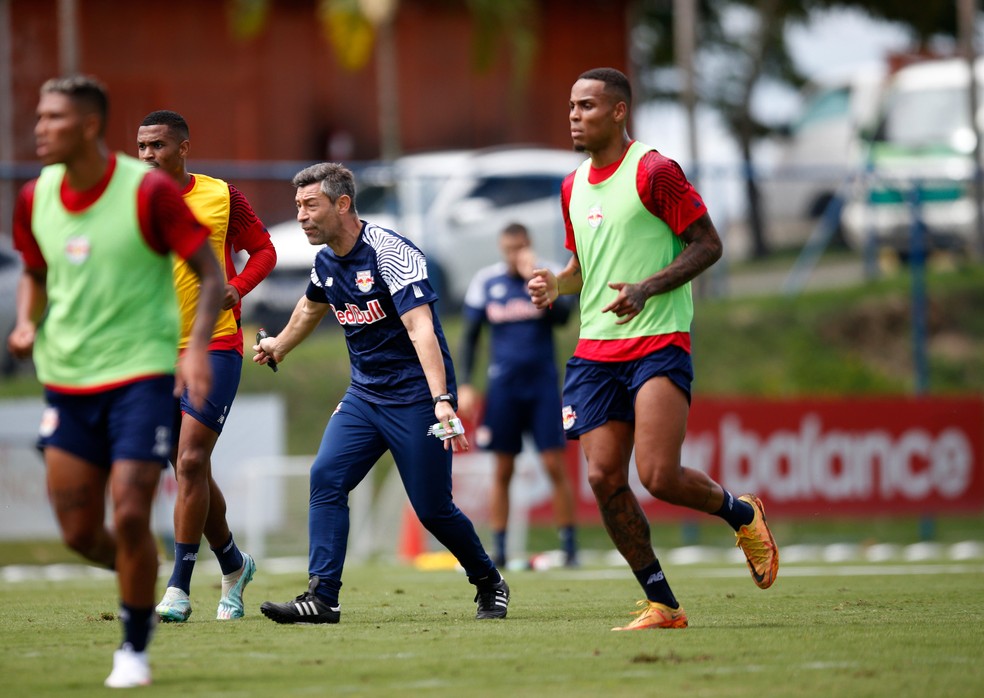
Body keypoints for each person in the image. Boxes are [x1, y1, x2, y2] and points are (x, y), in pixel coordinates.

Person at [528, 67, 779, 631]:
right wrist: (557, 283)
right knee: (602, 478)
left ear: (619, 112)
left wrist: (647, 288)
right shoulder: (571, 186)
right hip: (594, 352)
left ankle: (741, 512)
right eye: (571, 105)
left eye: (587, 106)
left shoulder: (654, 171)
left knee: (659, 475)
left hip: (658, 341)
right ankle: (663, 603)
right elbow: (582, 269)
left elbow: (708, 245)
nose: (574, 115)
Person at [7, 76, 223, 687]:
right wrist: (27, 321)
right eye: (40, 115)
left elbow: (209, 274)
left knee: (130, 511)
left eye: (54, 118)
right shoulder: (33, 197)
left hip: (140, 376)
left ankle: (133, 646)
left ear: (90, 127)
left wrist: (198, 349)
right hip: (68, 381)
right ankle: (142, 567)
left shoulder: (147, 192)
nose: (40, 127)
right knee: (80, 532)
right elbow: (34, 270)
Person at [254, 162, 509, 624]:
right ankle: (323, 596)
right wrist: (278, 347)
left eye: (311, 205)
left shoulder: (391, 253)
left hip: (417, 397)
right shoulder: (327, 260)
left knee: (432, 509)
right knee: (326, 477)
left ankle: (489, 580)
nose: (302, 216)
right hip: (365, 397)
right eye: (298, 207)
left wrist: (442, 401)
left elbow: (421, 330)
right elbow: (309, 309)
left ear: (343, 204)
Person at [136, 110, 277, 623]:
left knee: (191, 461)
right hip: (152, 353)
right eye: (141, 146)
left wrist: (236, 289)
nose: (148, 155)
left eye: (158, 145)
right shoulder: (128, 202)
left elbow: (264, 250)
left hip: (215, 346)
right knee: (186, 465)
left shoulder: (222, 196)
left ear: (184, 147)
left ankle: (178, 587)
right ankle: (235, 565)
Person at [458, 222, 578, 568]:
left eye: (521, 247)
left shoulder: (548, 274)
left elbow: (564, 320)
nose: (516, 254)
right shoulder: (487, 282)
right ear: (501, 248)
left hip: (542, 386)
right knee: (502, 469)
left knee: (555, 464)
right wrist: (466, 382)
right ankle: (500, 548)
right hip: (503, 389)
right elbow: (470, 336)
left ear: (530, 245)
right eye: (510, 248)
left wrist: (537, 281)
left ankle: (569, 548)